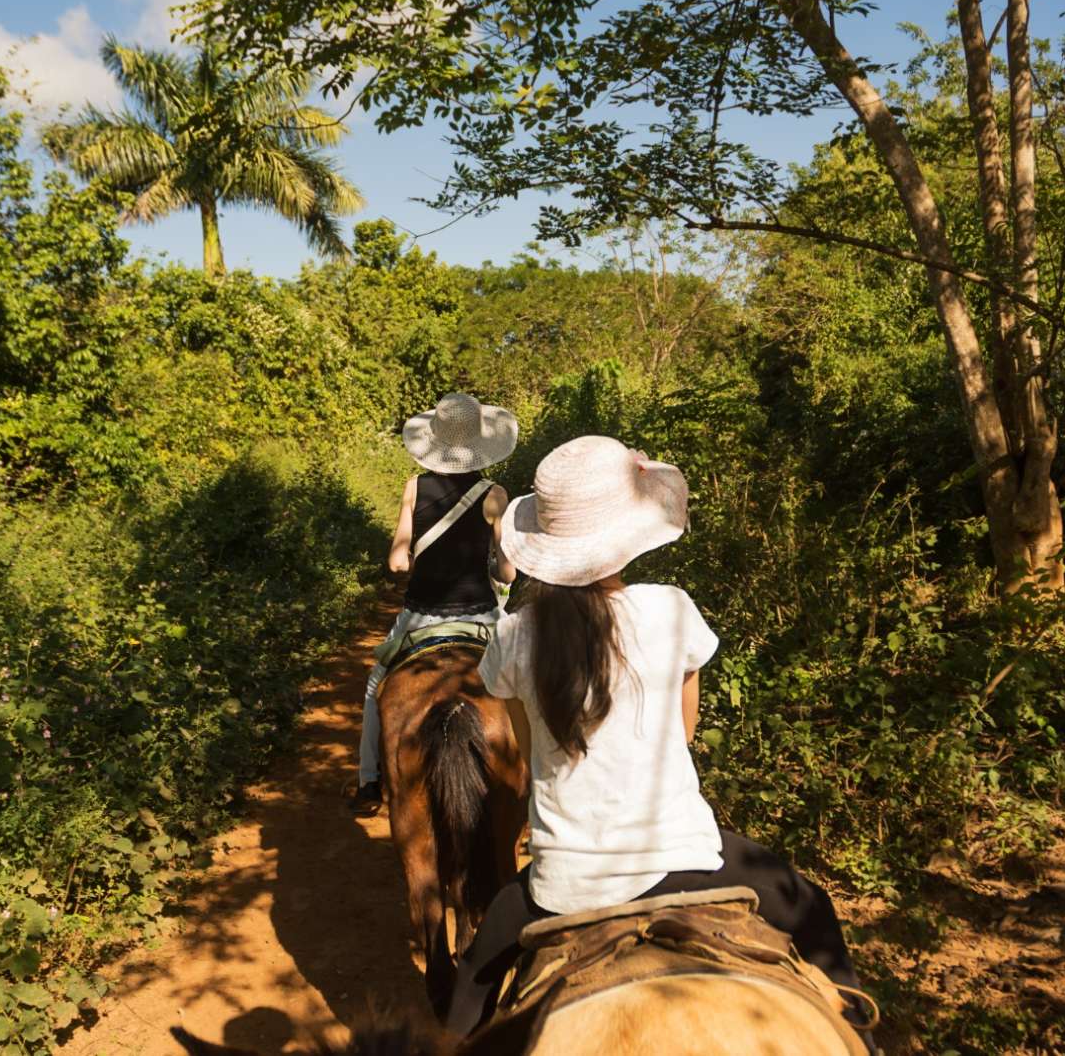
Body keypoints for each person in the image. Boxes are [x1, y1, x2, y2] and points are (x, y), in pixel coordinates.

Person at [445, 434, 870, 1040]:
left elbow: (527, 751)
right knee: (815, 910)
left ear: (544, 540)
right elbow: (684, 731)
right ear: (630, 531)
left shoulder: (512, 636)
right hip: (685, 859)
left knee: (473, 991)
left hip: (565, 883)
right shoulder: (671, 610)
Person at [351, 392, 519, 817]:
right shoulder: (493, 492)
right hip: (481, 615)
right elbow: (508, 573)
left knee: (376, 687)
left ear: (436, 440)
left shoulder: (413, 486)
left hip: (421, 614)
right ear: (480, 441)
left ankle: (369, 782)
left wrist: (410, 559)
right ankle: (534, 776)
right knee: (521, 683)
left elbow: (396, 560)